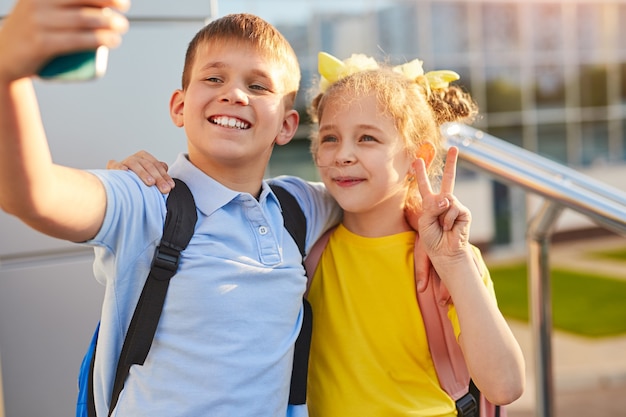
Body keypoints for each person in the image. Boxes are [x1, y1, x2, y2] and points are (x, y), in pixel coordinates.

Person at [118, 52, 526, 417]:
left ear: (416, 156)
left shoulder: (447, 258)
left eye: (367, 138)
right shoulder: (302, 243)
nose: (343, 154)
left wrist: (454, 262)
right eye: (330, 137)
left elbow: (505, 386)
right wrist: (138, 181)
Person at [0, 1, 341, 416]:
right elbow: (32, 193)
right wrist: (7, 71)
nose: (233, 93)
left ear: (287, 125)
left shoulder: (298, 207)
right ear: (180, 106)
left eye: (258, 86)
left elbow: (377, 195)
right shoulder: (146, 200)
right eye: (214, 77)